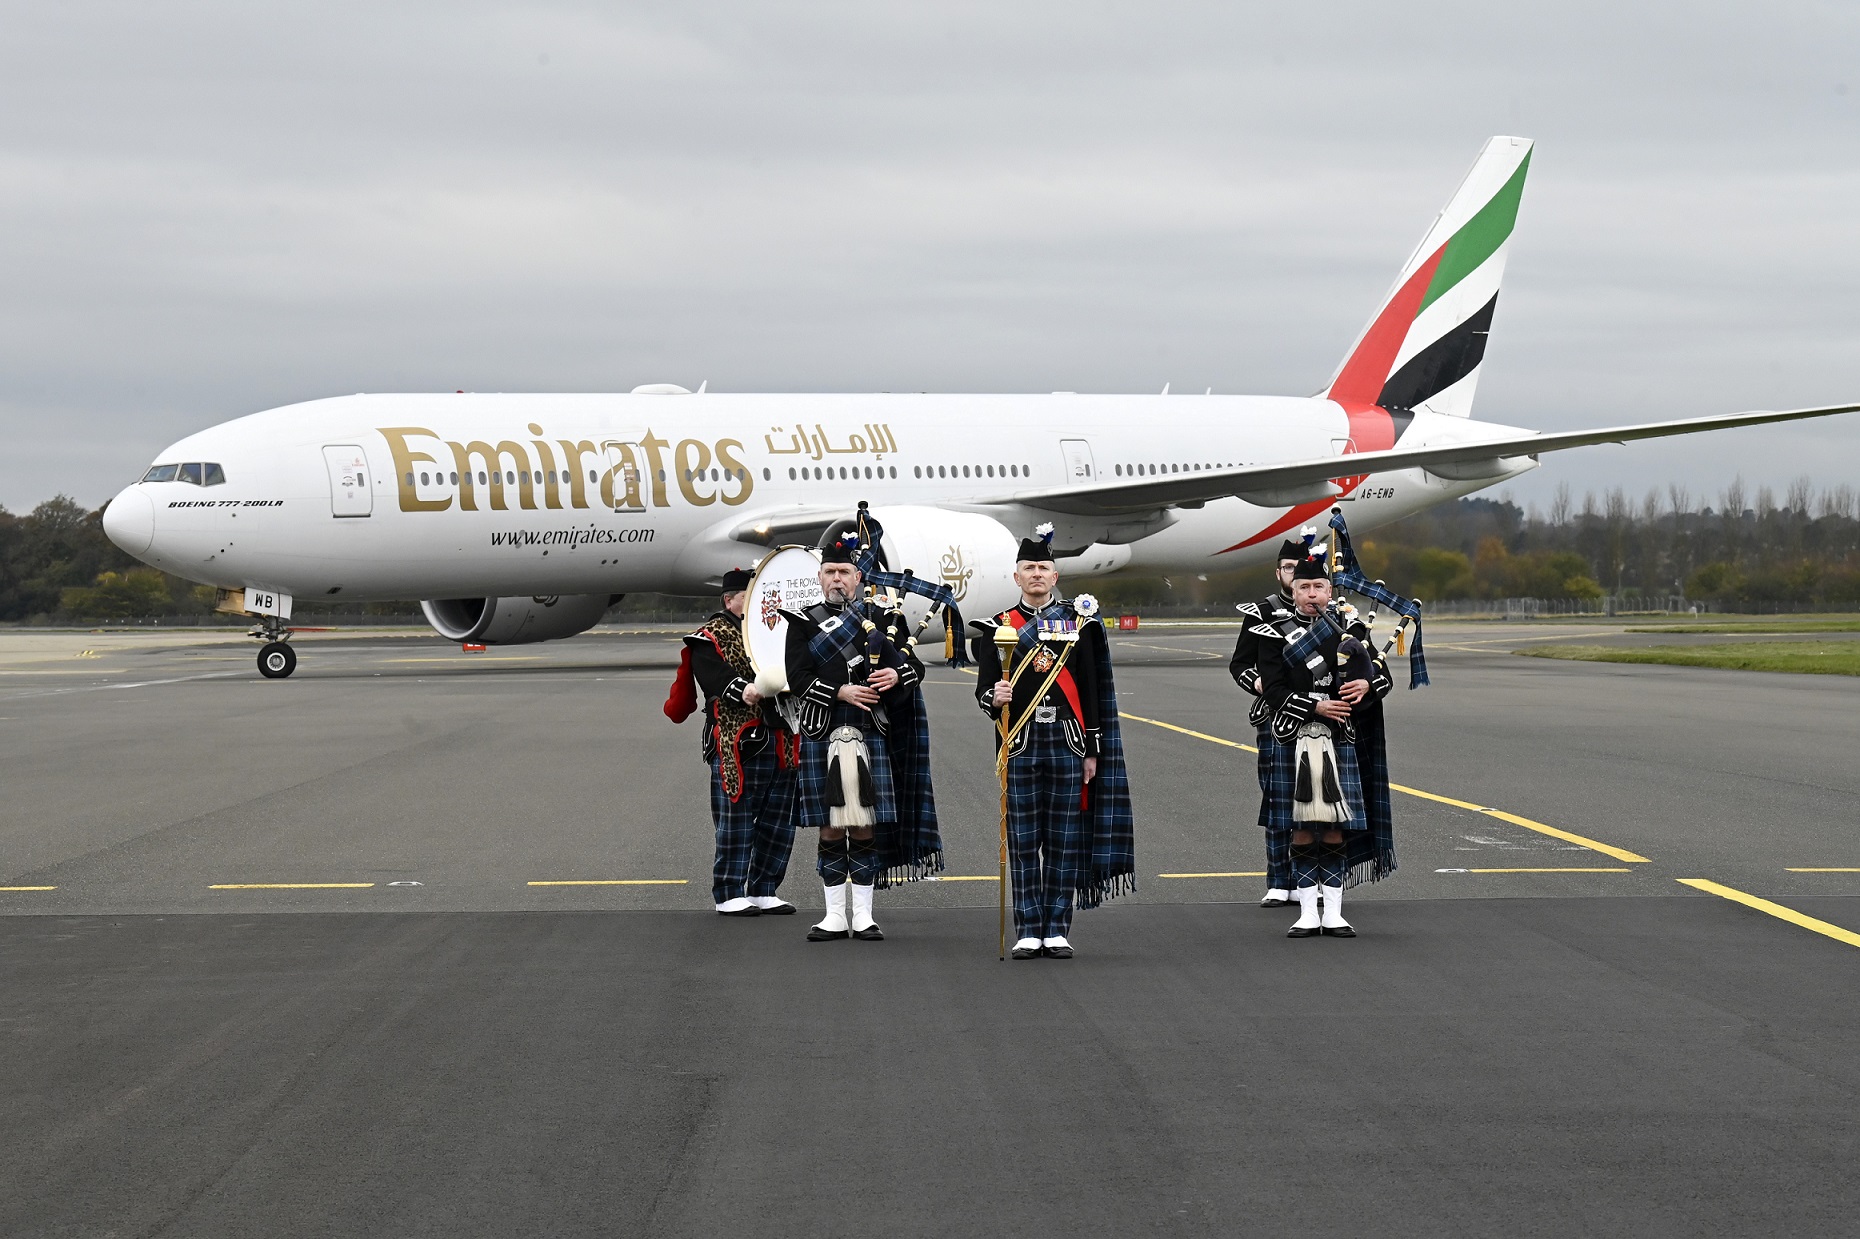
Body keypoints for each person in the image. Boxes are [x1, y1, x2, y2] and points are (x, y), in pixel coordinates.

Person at [970, 524, 1136, 960]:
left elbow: (1092, 688)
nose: (1038, 574)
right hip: (1019, 741)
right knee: (1024, 839)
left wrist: (1093, 749)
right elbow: (984, 689)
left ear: (1056, 576)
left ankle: (1057, 928)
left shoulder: (1078, 624)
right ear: (1016, 577)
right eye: (1029, 568)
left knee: (1063, 838)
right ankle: (1028, 927)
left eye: (1045, 567)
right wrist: (994, 697)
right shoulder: (998, 627)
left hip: (1068, 742)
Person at [783, 532, 943, 941]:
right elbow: (797, 677)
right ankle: (834, 915)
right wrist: (841, 690)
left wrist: (895, 674)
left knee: (866, 824)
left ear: (857, 578)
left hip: (871, 729)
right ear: (819, 577)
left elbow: (913, 669)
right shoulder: (801, 623)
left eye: (845, 573)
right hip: (826, 729)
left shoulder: (883, 620)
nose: (837, 579)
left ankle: (864, 915)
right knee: (831, 825)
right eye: (830, 572)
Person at [666, 567, 800, 916]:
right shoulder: (709, 636)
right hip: (735, 740)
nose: (758, 603)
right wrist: (746, 690)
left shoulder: (774, 631)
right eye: (749, 596)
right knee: (737, 816)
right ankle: (728, 892)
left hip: (782, 736)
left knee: (778, 817)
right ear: (730, 599)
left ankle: (764, 888)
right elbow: (715, 677)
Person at [1256, 549, 1374, 938]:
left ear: (1329, 590)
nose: (1311, 594)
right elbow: (1272, 688)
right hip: (1294, 737)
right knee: (1301, 825)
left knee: (1337, 825)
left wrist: (1367, 684)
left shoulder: (1351, 630)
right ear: (1292, 588)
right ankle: (1307, 912)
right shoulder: (1272, 631)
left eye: (1318, 587)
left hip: (1339, 736)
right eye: (1303, 586)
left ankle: (1334, 912)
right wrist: (1317, 705)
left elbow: (1379, 676)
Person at [1230, 534, 1312, 908]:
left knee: (1319, 800)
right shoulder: (1261, 612)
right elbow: (1239, 663)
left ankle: (1312, 880)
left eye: (1301, 569)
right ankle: (1279, 881)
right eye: (1289, 568)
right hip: (1275, 717)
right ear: (1278, 571)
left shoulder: (1325, 611)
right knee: (1278, 797)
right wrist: (1260, 683)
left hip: (1319, 720)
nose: (1295, 576)